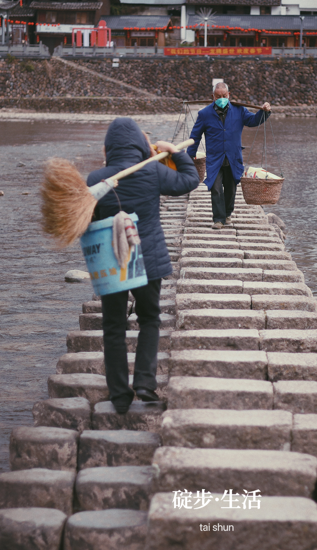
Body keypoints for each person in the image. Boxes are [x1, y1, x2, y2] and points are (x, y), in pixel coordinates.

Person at [87, 117, 199, 414]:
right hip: (147, 257)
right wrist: (175, 152)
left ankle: (119, 395)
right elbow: (190, 180)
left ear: (109, 148)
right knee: (149, 319)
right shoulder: (153, 170)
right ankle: (146, 384)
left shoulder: (96, 179)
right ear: (140, 144)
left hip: (114, 260)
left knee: (113, 326)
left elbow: (86, 220)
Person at [187, 82, 271, 229]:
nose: (221, 98)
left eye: (224, 96)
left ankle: (227, 214)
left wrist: (264, 112)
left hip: (233, 157)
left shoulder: (239, 110)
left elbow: (253, 121)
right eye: (218, 96)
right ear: (212, 97)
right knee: (216, 188)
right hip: (214, 159)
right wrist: (190, 156)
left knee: (231, 189)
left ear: (229, 95)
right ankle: (218, 219)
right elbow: (195, 136)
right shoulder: (204, 114)